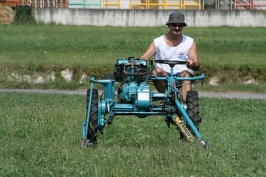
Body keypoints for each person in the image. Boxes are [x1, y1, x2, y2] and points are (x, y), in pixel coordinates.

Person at [140, 12, 200, 104]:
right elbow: (144, 58)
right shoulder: (158, 42)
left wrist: (192, 63)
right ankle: (164, 97)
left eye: (180, 25)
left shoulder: (189, 41)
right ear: (168, 25)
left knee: (185, 75)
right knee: (155, 71)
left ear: (183, 26)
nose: (177, 28)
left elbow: (196, 65)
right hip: (164, 75)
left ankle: (185, 106)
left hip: (182, 74)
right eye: (174, 25)